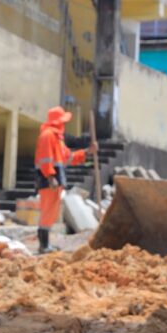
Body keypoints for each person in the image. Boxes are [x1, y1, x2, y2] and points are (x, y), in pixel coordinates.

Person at [34, 106, 96, 254]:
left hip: (54, 180)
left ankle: (46, 244)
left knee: (51, 213)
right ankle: (43, 246)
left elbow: (68, 157)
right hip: (48, 180)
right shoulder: (47, 136)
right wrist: (50, 176)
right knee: (47, 212)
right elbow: (44, 159)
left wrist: (87, 152)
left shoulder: (57, 138)